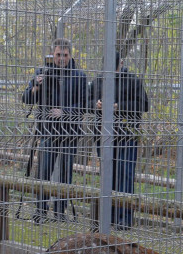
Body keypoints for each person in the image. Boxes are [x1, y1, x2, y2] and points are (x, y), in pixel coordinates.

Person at [22, 38, 89, 222]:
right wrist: (36, 86)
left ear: (70, 55)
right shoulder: (42, 73)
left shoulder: (79, 76)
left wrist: (65, 112)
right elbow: (27, 99)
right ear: (53, 54)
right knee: (44, 172)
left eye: (65, 55)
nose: (61, 59)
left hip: (69, 132)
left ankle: (60, 213)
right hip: (47, 130)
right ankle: (40, 212)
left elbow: (86, 104)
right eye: (58, 55)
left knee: (65, 175)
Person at [88, 51, 149, 229]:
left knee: (125, 175)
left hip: (126, 135)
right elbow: (87, 102)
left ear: (120, 64)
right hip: (103, 135)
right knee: (108, 176)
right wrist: (96, 105)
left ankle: (125, 219)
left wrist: (119, 107)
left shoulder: (133, 80)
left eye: (113, 68)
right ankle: (110, 217)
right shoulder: (98, 81)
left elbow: (144, 104)